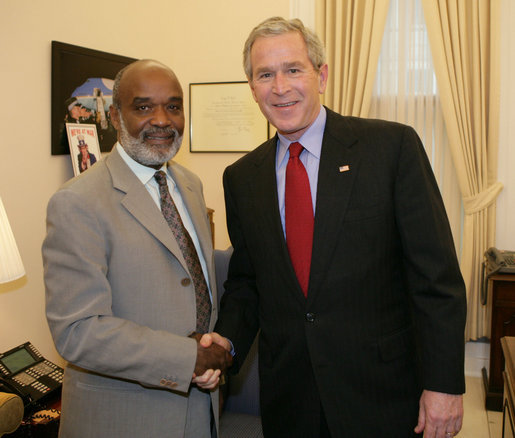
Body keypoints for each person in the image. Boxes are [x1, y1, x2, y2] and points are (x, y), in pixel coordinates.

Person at [206, 17, 467, 438]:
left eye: (293, 69)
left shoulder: (391, 149)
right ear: (252, 89)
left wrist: (444, 385)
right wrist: (225, 342)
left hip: (382, 398)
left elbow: (436, 280)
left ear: (321, 75)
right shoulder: (241, 177)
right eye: (265, 75)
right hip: (291, 402)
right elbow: (249, 282)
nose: (280, 86)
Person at [43, 59, 232, 438]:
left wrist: (217, 344)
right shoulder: (77, 201)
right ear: (115, 116)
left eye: (174, 106)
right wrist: (187, 358)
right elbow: (78, 331)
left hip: (202, 409)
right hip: (124, 418)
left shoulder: (190, 185)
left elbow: (196, 288)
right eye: (143, 107)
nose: (162, 119)